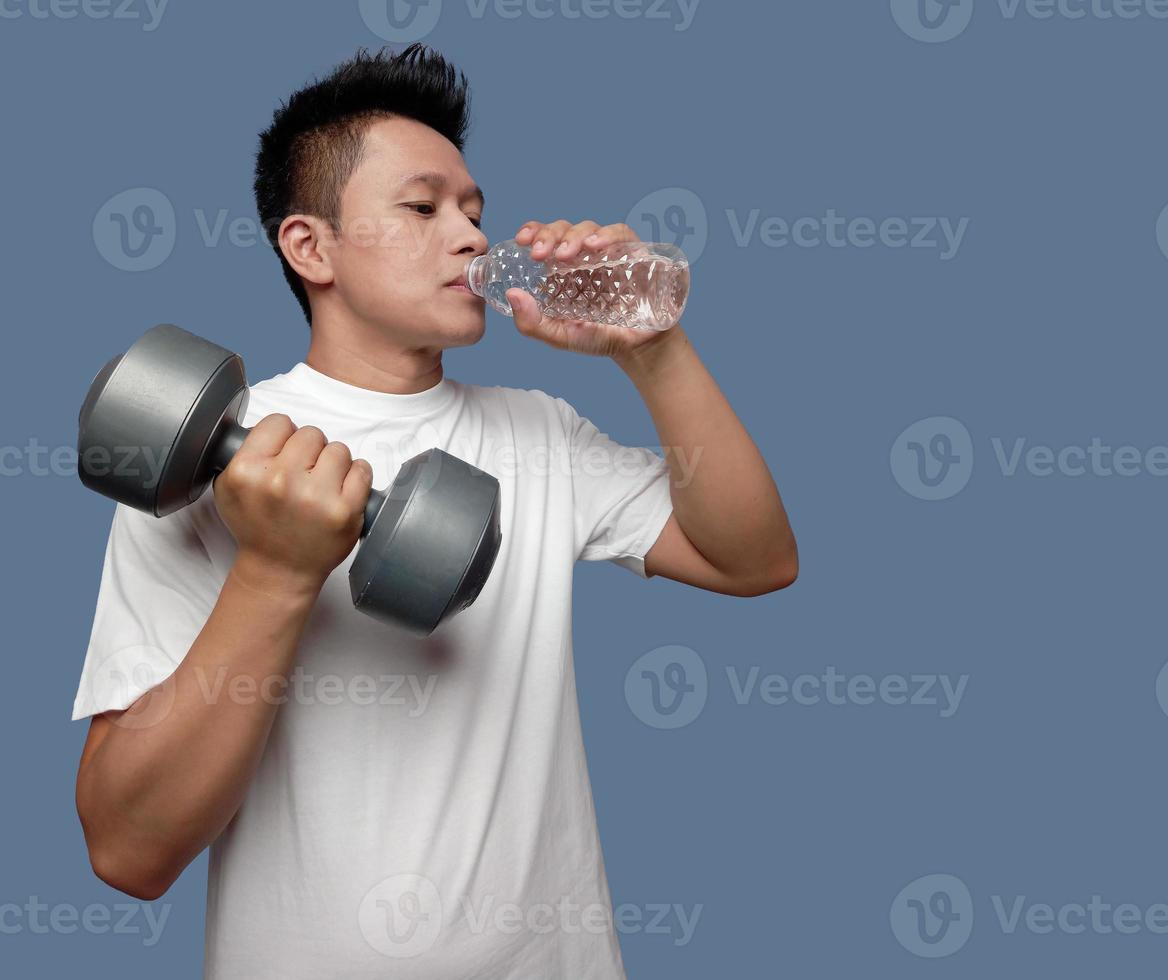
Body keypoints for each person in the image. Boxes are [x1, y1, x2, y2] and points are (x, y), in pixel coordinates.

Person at [71, 43, 798, 979]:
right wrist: (278, 569)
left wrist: (651, 353)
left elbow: (754, 560)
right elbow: (129, 853)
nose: (469, 238)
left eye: (473, 212)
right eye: (422, 208)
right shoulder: (211, 469)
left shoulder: (539, 434)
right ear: (310, 246)